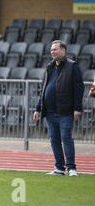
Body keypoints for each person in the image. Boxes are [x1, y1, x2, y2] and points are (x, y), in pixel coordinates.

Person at [33, 40, 84, 177]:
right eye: (51, 50)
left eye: (55, 49)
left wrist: (77, 108)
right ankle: (59, 168)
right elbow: (44, 90)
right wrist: (38, 108)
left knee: (66, 138)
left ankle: (71, 168)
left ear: (63, 50)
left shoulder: (73, 66)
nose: (52, 52)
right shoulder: (50, 67)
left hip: (65, 111)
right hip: (50, 111)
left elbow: (79, 89)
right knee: (54, 140)